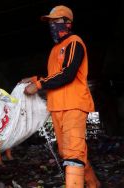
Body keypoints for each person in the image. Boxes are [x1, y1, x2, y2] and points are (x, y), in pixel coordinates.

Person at [22, 5, 101, 188]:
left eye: (56, 22)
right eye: (50, 23)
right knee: (67, 153)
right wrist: (35, 79)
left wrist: (39, 84)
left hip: (74, 105)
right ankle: (93, 184)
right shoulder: (54, 50)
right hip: (57, 107)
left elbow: (68, 73)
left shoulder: (74, 42)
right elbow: (55, 75)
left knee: (73, 153)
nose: (52, 26)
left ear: (67, 23)